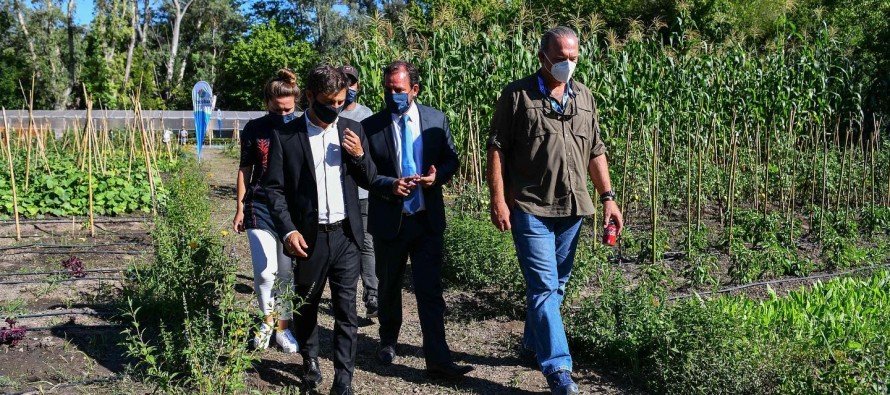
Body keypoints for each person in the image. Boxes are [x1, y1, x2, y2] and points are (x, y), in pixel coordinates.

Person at [486, 26, 624, 395]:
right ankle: (559, 370)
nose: (568, 63)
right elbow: (496, 148)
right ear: (543, 56)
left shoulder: (585, 97)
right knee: (544, 288)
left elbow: (596, 150)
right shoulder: (517, 96)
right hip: (530, 206)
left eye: (573, 57)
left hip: (573, 206)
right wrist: (498, 199)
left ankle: (532, 345)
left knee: (557, 286)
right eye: (561, 57)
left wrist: (608, 196)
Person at [264, 65, 376, 395]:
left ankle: (345, 377)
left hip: (346, 236)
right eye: (329, 101)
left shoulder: (353, 129)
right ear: (310, 97)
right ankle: (309, 360)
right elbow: (274, 189)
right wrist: (287, 231)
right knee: (307, 304)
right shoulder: (287, 136)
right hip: (309, 238)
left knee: (346, 310)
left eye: (341, 101)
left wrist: (358, 155)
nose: (336, 108)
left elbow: (370, 178)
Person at [361, 60, 472, 380]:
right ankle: (388, 340)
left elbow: (452, 159)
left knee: (430, 291)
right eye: (388, 89)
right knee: (389, 285)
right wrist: (389, 185)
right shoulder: (371, 126)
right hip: (390, 219)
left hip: (426, 220)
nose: (392, 94)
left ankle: (438, 358)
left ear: (414, 89)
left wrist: (439, 175)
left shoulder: (436, 120)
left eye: (398, 90)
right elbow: (366, 173)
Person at [233, 69, 301, 354]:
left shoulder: (302, 127)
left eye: (289, 108)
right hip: (259, 205)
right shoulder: (255, 129)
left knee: (285, 273)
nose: (283, 113)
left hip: (292, 209)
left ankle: (283, 329)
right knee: (264, 272)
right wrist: (239, 207)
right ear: (267, 103)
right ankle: (266, 322)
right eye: (277, 108)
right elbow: (245, 168)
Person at [337, 64, 378, 319]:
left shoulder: (367, 116)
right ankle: (345, 296)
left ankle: (372, 293)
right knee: (344, 246)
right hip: (337, 193)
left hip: (362, 193)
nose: (349, 87)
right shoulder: (328, 113)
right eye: (344, 82)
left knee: (366, 244)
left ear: (357, 86)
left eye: (352, 83)